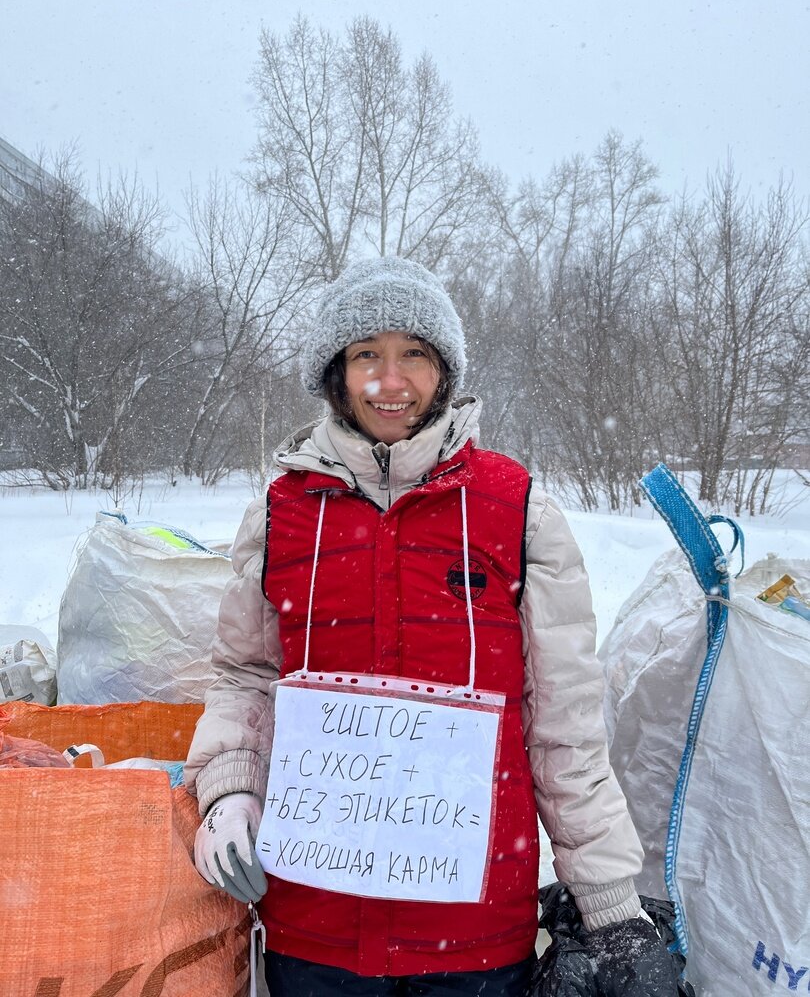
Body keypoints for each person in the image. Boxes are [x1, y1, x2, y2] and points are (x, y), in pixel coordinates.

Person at [185, 257, 671, 996]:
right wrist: (228, 788)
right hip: (314, 928)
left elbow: (563, 725)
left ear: (443, 370)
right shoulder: (283, 512)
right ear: (335, 374)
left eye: (413, 353)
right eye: (365, 355)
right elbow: (245, 675)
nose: (390, 379)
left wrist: (609, 905)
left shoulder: (518, 510)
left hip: (473, 934)